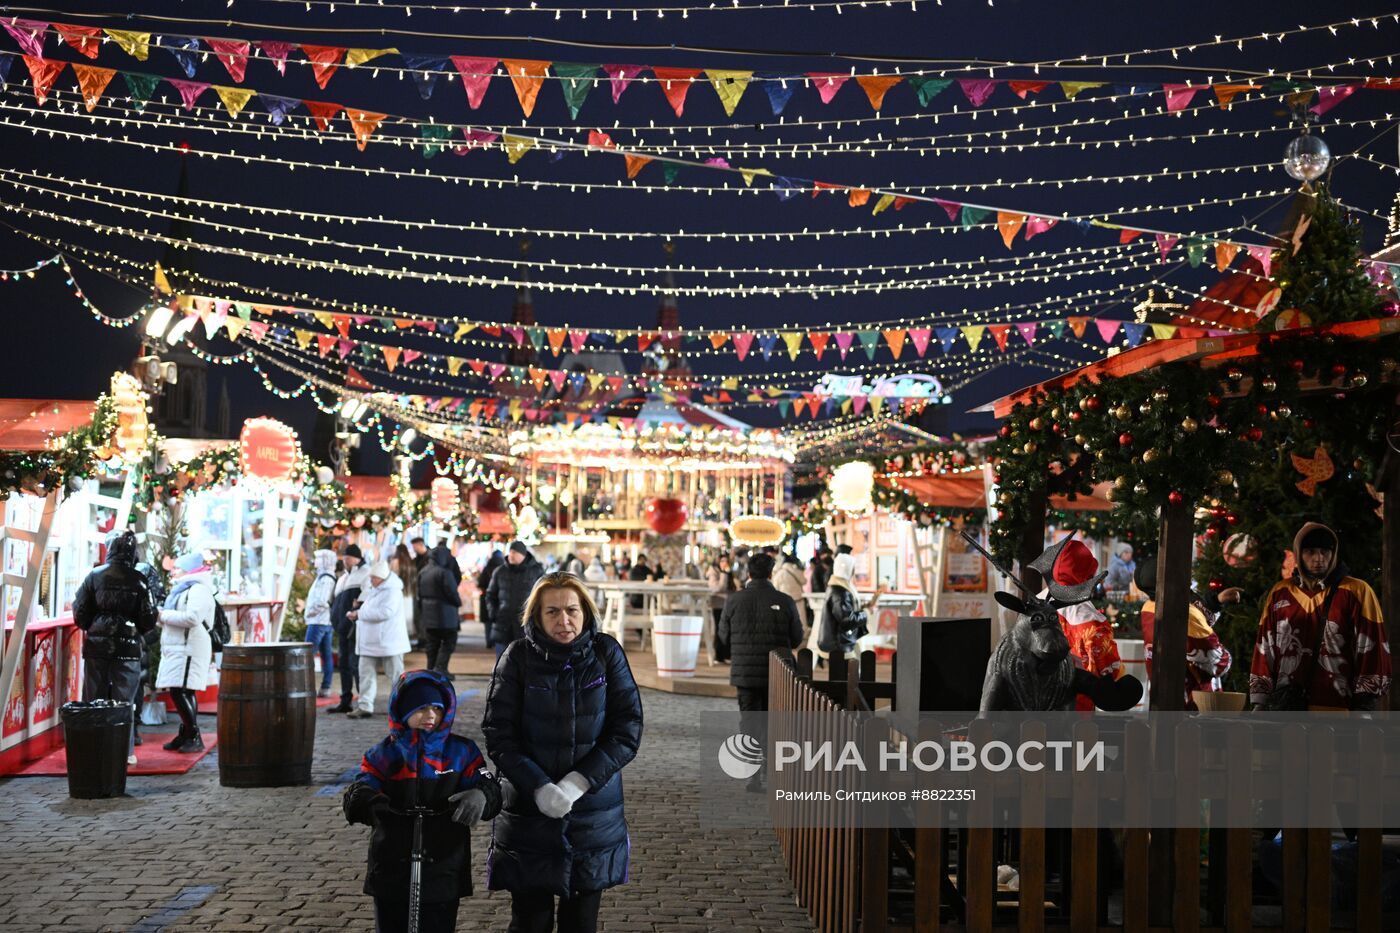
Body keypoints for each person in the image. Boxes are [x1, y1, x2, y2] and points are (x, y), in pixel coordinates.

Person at [482, 572, 644, 933]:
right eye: (552, 611)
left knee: (581, 923)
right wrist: (539, 787)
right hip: (526, 815)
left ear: (585, 611)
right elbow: (499, 733)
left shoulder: (606, 653)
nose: (564, 620)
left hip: (592, 816)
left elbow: (627, 729)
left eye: (572, 610)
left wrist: (575, 784)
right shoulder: (517, 657)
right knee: (529, 921)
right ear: (536, 617)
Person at [343, 670, 502, 933]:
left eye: (437, 709)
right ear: (403, 711)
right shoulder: (382, 755)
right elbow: (361, 788)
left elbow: (489, 786)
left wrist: (482, 795)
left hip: (443, 862)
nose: (430, 715)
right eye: (421, 708)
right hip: (392, 863)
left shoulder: (461, 753)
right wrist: (369, 801)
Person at [1249, 522, 1391, 711]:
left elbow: (1373, 647)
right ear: (1299, 553)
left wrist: (1366, 702)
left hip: (1339, 707)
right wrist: (1261, 700)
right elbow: (1264, 646)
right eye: (1310, 551)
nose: (1318, 558)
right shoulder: (1280, 593)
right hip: (1287, 708)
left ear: (1334, 553)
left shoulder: (1356, 591)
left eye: (1325, 551)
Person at [717, 553, 804, 792]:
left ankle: (752, 774)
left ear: (748, 573)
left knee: (750, 721)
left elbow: (722, 637)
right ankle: (770, 768)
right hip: (777, 672)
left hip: (745, 673)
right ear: (770, 573)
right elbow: (797, 638)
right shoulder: (785, 601)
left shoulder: (734, 601)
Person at [71, 530, 156, 766]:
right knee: (125, 701)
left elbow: (80, 611)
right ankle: (124, 751)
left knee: (92, 697)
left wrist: (95, 627)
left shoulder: (94, 576)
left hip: (97, 645)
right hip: (127, 647)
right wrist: (133, 628)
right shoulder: (139, 580)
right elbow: (148, 619)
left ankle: (91, 747)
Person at [1136, 556, 1236, 709]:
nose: (1188, 580)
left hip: (1162, 694)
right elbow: (1217, 661)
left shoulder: (1149, 606)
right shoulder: (1183, 613)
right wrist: (1227, 659)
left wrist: (1215, 603)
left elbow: (1196, 624)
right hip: (1193, 700)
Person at [1044, 539, 1122, 712]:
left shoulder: (1035, 603)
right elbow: (1109, 671)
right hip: (1077, 710)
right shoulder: (1092, 620)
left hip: (1037, 703)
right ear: (1087, 576)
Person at [156, 551, 217, 753]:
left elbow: (192, 618)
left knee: (180, 690)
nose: (172, 572)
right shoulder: (184, 589)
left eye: (177, 569)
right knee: (183, 690)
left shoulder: (198, 589)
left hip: (190, 647)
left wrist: (163, 615)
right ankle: (186, 732)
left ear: (188, 571)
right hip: (181, 646)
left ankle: (193, 735)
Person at [347, 561, 411, 719]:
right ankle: (365, 705)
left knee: (396, 675)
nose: (371, 581)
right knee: (365, 674)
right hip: (370, 642)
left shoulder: (393, 591)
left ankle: (401, 706)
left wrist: (359, 614)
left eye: (374, 578)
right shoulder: (374, 589)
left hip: (389, 642)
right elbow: (371, 609)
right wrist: (359, 610)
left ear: (382, 578)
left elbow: (385, 612)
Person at [814, 552, 885, 663]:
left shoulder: (837, 587)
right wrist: (866, 611)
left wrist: (862, 608)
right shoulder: (840, 592)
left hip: (838, 643)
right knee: (844, 677)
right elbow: (847, 619)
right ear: (848, 569)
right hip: (839, 646)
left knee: (844, 677)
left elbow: (844, 613)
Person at [328, 544, 371, 715]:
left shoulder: (366, 573)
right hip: (342, 627)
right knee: (344, 664)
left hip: (354, 628)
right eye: (343, 559)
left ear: (356, 558)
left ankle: (363, 702)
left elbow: (365, 598)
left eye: (347, 559)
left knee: (356, 664)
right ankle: (345, 700)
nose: (344, 562)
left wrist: (356, 611)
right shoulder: (344, 577)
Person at [486, 541, 544, 661]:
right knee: (502, 661)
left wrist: (537, 618)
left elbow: (543, 597)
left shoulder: (536, 571)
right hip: (503, 624)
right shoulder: (500, 571)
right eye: (510, 552)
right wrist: (494, 613)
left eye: (514, 552)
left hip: (526, 625)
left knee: (524, 662)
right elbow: (490, 595)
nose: (511, 555)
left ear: (522, 554)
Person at [419, 546, 464, 677]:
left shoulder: (423, 571)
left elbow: (419, 595)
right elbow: (452, 593)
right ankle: (440, 668)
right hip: (446, 616)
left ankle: (431, 669)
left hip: (428, 616)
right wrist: (458, 603)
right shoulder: (444, 573)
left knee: (432, 644)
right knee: (449, 642)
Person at [304, 549, 338, 698]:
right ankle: (325, 686)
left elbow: (322, 601)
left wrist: (310, 611)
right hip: (324, 621)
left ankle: (305, 685)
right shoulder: (324, 576)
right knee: (326, 654)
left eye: (318, 558)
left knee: (307, 655)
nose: (315, 561)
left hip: (318, 621)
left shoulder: (326, 578)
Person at [707, 554, 739, 662]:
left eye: (726, 561)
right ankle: (719, 655)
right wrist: (723, 573)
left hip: (729, 605)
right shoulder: (713, 572)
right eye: (722, 561)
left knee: (729, 630)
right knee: (720, 629)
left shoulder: (729, 572)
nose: (724, 563)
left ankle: (727, 654)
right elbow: (718, 588)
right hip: (718, 605)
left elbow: (731, 588)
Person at [771, 549, 809, 631]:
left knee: (788, 622)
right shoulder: (795, 570)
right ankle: (802, 638)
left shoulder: (778, 574)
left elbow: (775, 588)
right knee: (801, 621)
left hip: (785, 601)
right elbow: (804, 581)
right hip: (798, 599)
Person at [392, 543, 420, 651]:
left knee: (399, 617)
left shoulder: (395, 562)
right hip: (410, 593)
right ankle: (408, 639)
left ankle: (400, 640)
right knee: (408, 616)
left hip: (399, 593)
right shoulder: (411, 563)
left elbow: (391, 577)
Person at [477, 550, 504, 651]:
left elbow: (480, 583)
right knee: (498, 623)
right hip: (500, 600)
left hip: (486, 599)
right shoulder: (503, 569)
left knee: (487, 623)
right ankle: (497, 641)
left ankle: (489, 641)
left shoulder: (486, 569)